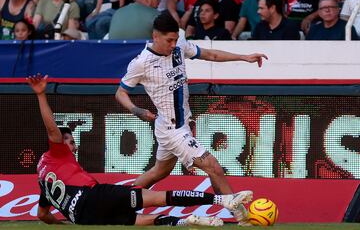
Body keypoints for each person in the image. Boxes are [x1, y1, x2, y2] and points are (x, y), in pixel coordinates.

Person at [28, 73, 253, 226]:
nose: (72, 144)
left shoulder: (43, 179)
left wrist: (63, 222)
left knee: (134, 220)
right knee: (159, 198)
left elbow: (42, 214)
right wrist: (40, 94)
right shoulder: (55, 153)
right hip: (93, 197)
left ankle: (188, 221)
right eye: (69, 140)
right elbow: (52, 131)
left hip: (82, 217)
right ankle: (223, 201)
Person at [115, 11, 267, 225]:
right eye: (169, 40)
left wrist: (244, 57)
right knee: (213, 167)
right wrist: (136, 110)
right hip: (171, 130)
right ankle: (241, 215)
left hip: (179, 125)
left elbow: (210, 55)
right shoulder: (141, 63)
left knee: (159, 172)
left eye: (175, 40)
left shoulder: (178, 44)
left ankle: (116, 203)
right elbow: (120, 93)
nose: (173, 45)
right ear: (155, 36)